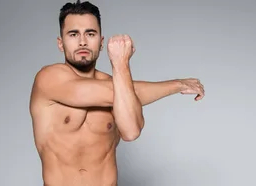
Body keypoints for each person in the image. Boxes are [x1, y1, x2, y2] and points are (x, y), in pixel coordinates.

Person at [28, 1, 205, 185]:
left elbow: (131, 131)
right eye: (73, 34)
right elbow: (106, 92)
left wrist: (120, 63)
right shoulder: (48, 78)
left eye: (90, 33)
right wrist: (176, 84)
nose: (82, 41)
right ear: (60, 43)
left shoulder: (120, 87)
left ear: (102, 42)